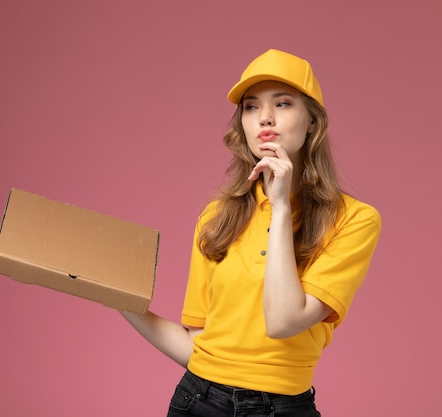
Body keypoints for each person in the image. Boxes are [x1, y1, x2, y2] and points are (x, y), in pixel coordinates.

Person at [120, 49, 381, 417]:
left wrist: (281, 206)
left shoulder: (354, 219)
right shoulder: (217, 217)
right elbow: (199, 347)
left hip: (283, 407)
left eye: (284, 103)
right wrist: (115, 296)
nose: (266, 118)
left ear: (312, 122)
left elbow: (283, 322)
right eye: (251, 107)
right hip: (198, 401)